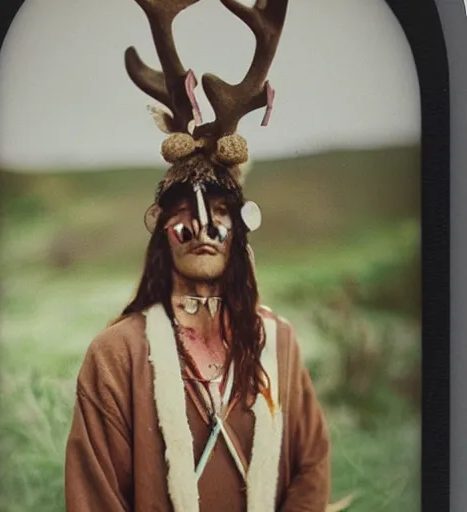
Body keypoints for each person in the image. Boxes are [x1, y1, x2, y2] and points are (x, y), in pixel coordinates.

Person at [65, 0, 335, 510]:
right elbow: (93, 496)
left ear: (241, 227)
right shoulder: (115, 356)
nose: (203, 227)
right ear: (161, 229)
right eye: (184, 212)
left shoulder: (278, 344)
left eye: (219, 210)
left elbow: (312, 465)